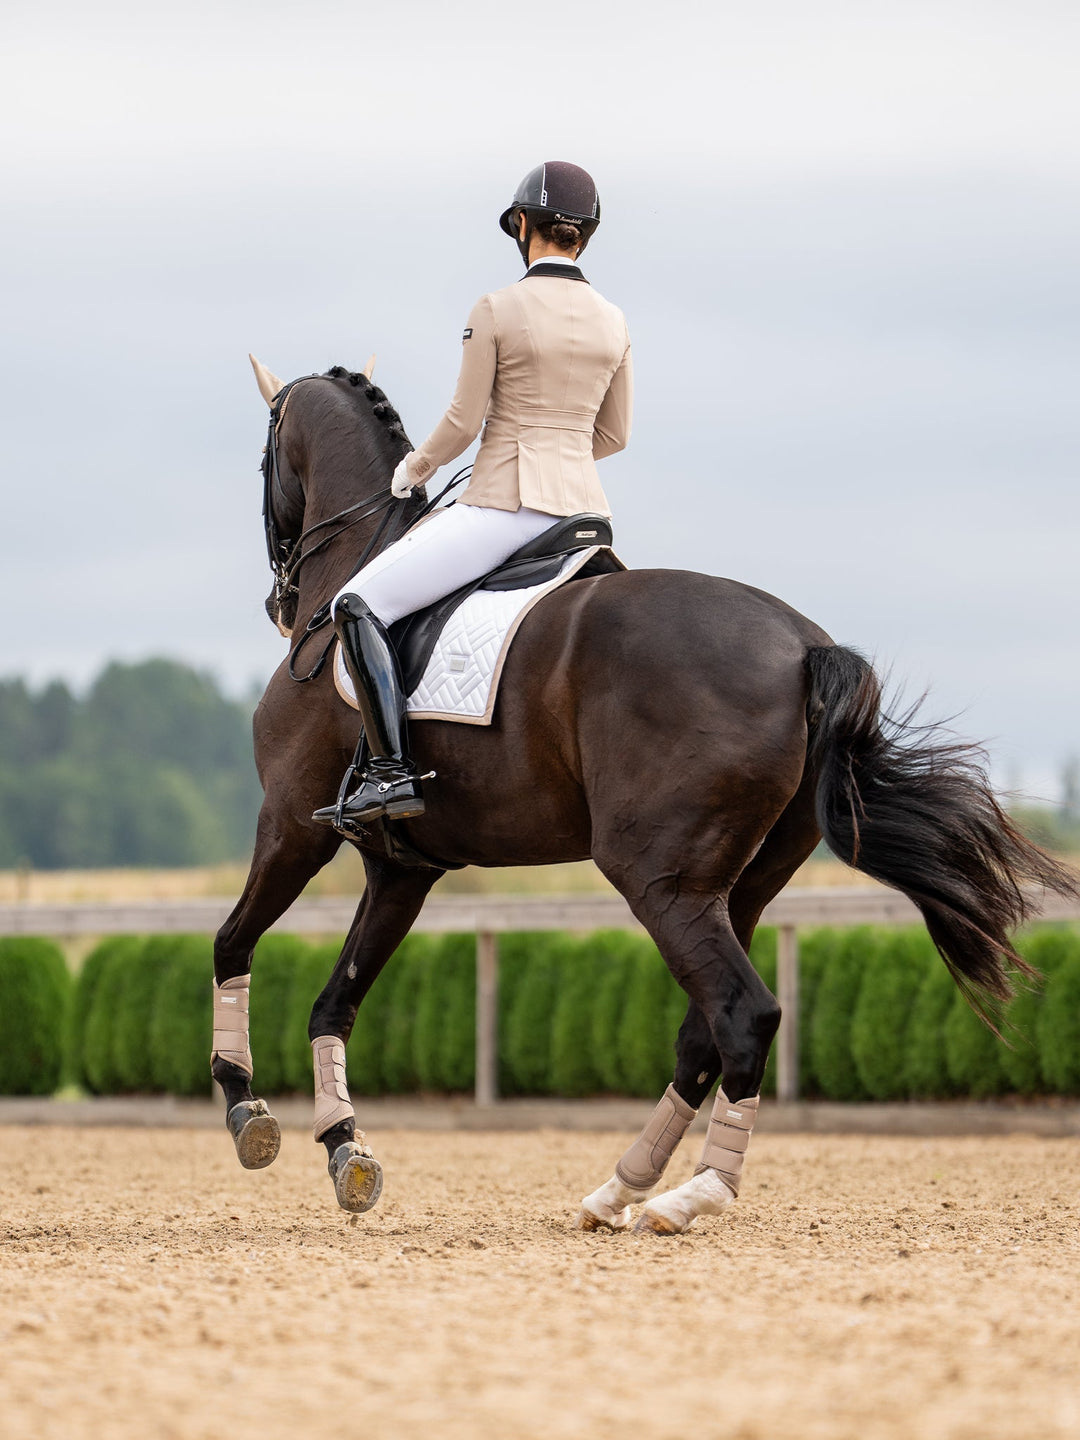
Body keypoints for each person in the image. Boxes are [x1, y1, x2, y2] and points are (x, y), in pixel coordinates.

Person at [313, 160, 633, 831]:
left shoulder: (496, 309)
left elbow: (463, 422)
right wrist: (561, 455)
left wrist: (414, 470)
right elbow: (614, 433)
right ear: (587, 235)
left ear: (522, 226)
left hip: (508, 509)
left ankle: (389, 773)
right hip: (586, 517)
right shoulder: (613, 321)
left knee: (358, 602)